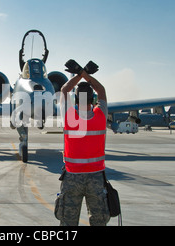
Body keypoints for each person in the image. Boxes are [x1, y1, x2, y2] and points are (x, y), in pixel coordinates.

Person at [55, 59, 109, 226]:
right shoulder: (101, 116)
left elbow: (64, 90)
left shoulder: (69, 116)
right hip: (96, 178)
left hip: (72, 178)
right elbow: (102, 90)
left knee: (68, 222)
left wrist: (79, 74)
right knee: (99, 221)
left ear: (76, 100)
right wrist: (85, 74)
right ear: (93, 100)